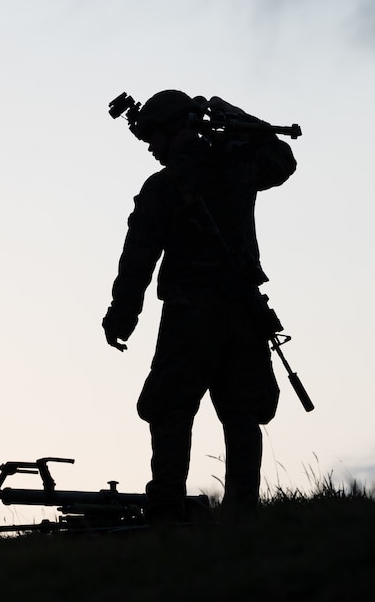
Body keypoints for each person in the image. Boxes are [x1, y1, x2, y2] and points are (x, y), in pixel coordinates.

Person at [102, 89, 297, 524]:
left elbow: (138, 257)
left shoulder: (164, 186)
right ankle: (242, 512)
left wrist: (122, 315)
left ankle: (167, 508)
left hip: (191, 315)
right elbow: (281, 159)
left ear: (175, 129)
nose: (152, 148)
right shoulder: (237, 166)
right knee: (242, 411)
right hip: (243, 312)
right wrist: (239, 119)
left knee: (171, 408)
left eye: (154, 137)